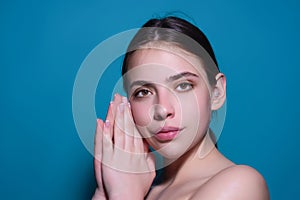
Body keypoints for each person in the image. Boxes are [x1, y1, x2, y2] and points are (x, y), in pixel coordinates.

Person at [92, 16, 269, 200]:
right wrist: (104, 192)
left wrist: (124, 194)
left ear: (216, 93)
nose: (162, 110)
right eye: (144, 92)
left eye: (183, 85)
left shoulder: (240, 185)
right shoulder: (141, 189)